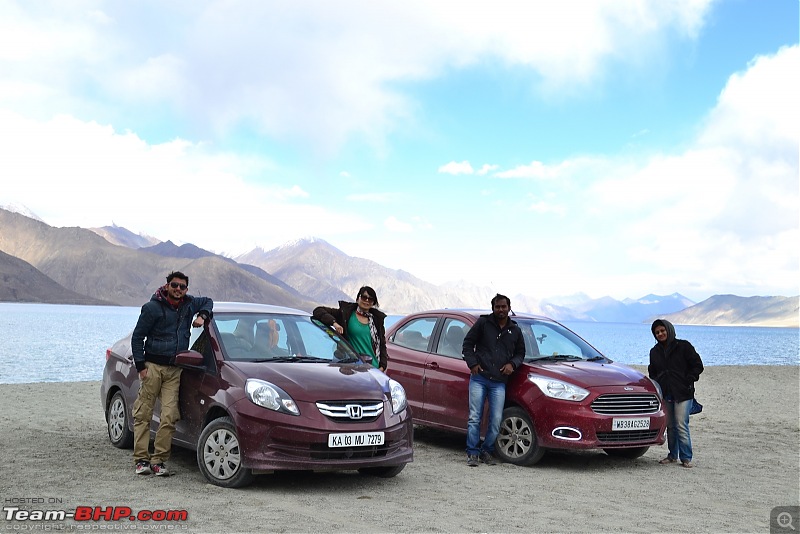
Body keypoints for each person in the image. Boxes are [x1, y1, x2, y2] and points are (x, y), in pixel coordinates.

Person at [130, 271, 213, 476]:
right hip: (153, 368)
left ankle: (159, 461)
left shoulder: (188, 304)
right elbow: (137, 338)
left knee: (169, 416)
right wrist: (141, 367)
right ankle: (141, 460)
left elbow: (208, 302)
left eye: (182, 287)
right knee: (144, 414)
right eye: (174, 285)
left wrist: (202, 316)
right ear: (167, 286)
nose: (178, 290)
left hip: (175, 370)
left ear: (186, 290)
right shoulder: (152, 308)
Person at [461, 293, 525, 467]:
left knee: (496, 420)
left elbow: (521, 353)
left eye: (504, 306)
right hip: (479, 378)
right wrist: (472, 363)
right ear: (493, 308)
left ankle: (486, 451)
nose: (501, 310)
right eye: (497, 307)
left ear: (509, 308)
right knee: (475, 417)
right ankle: (472, 453)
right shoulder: (483, 324)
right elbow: (467, 344)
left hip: (499, 382)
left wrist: (513, 364)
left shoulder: (515, 330)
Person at [648, 318, 704, 468]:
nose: (660, 334)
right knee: (670, 425)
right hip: (666, 393)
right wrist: (659, 382)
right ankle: (672, 455)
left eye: (662, 330)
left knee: (681, 424)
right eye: (657, 332)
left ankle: (686, 457)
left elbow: (697, 365)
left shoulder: (684, 347)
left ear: (669, 330)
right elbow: (652, 371)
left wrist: (689, 379)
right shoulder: (654, 352)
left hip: (683, 393)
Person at [312, 286, 388, 371]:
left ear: (373, 303)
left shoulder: (377, 320)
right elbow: (318, 311)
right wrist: (334, 323)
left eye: (370, 299)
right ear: (357, 298)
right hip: (350, 367)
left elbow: (382, 345)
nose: (366, 300)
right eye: (364, 297)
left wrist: (382, 367)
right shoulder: (345, 314)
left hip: (372, 368)